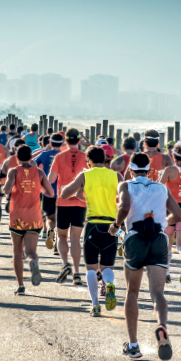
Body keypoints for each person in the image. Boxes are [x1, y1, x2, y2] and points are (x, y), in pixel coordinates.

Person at [113, 153, 181, 361]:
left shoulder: (126, 185)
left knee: (132, 293)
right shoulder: (162, 188)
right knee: (158, 293)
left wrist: (116, 226)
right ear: (150, 170)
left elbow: (124, 207)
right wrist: (161, 222)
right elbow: (179, 216)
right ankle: (162, 327)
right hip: (159, 239)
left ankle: (133, 346)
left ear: (131, 169)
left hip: (135, 238)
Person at [61, 146, 122, 316]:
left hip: (93, 225)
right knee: (107, 266)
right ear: (105, 159)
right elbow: (125, 198)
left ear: (89, 160)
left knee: (90, 268)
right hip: (112, 225)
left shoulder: (85, 175)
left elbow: (65, 194)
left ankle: (95, 304)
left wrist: (80, 187)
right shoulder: (116, 175)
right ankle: (109, 283)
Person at [2, 145, 54, 295]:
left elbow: (6, 189)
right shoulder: (39, 172)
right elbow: (50, 193)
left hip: (17, 217)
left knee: (17, 253)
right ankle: (33, 261)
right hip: (34, 218)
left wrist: (7, 189)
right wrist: (38, 188)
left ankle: (20, 286)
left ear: (16, 158)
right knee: (31, 251)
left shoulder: (13, 171)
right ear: (31, 158)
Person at [48, 128, 88, 285]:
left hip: (63, 201)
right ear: (79, 140)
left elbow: (51, 179)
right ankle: (77, 272)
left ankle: (65, 264)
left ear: (66, 141)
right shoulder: (86, 157)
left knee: (62, 236)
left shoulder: (59, 157)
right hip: (80, 201)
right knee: (76, 239)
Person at [158, 143, 181, 284]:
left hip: (171, 208)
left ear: (173, 155)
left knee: (168, 243)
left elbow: (159, 188)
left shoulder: (169, 170)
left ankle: (166, 272)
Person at [34, 134, 62, 252]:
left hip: (47, 191)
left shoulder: (44, 154)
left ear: (50, 143)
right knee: (60, 220)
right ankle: (57, 245)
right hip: (63, 192)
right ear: (61, 143)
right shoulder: (64, 156)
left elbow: (33, 164)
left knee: (50, 218)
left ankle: (50, 229)